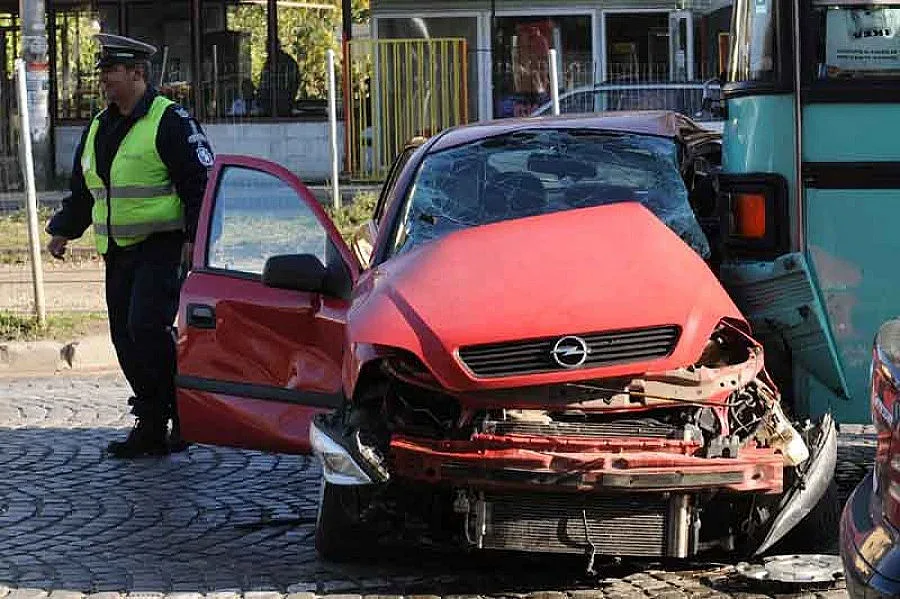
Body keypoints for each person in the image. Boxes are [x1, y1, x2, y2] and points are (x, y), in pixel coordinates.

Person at [45, 33, 214, 458]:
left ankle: (177, 412)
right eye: (102, 72)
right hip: (118, 250)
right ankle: (153, 422)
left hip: (163, 246)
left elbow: (200, 185)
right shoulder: (99, 126)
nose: (104, 81)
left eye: (111, 72)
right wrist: (65, 228)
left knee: (146, 328)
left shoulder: (170, 120)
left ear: (137, 73)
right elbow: (86, 190)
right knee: (124, 337)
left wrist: (195, 240)